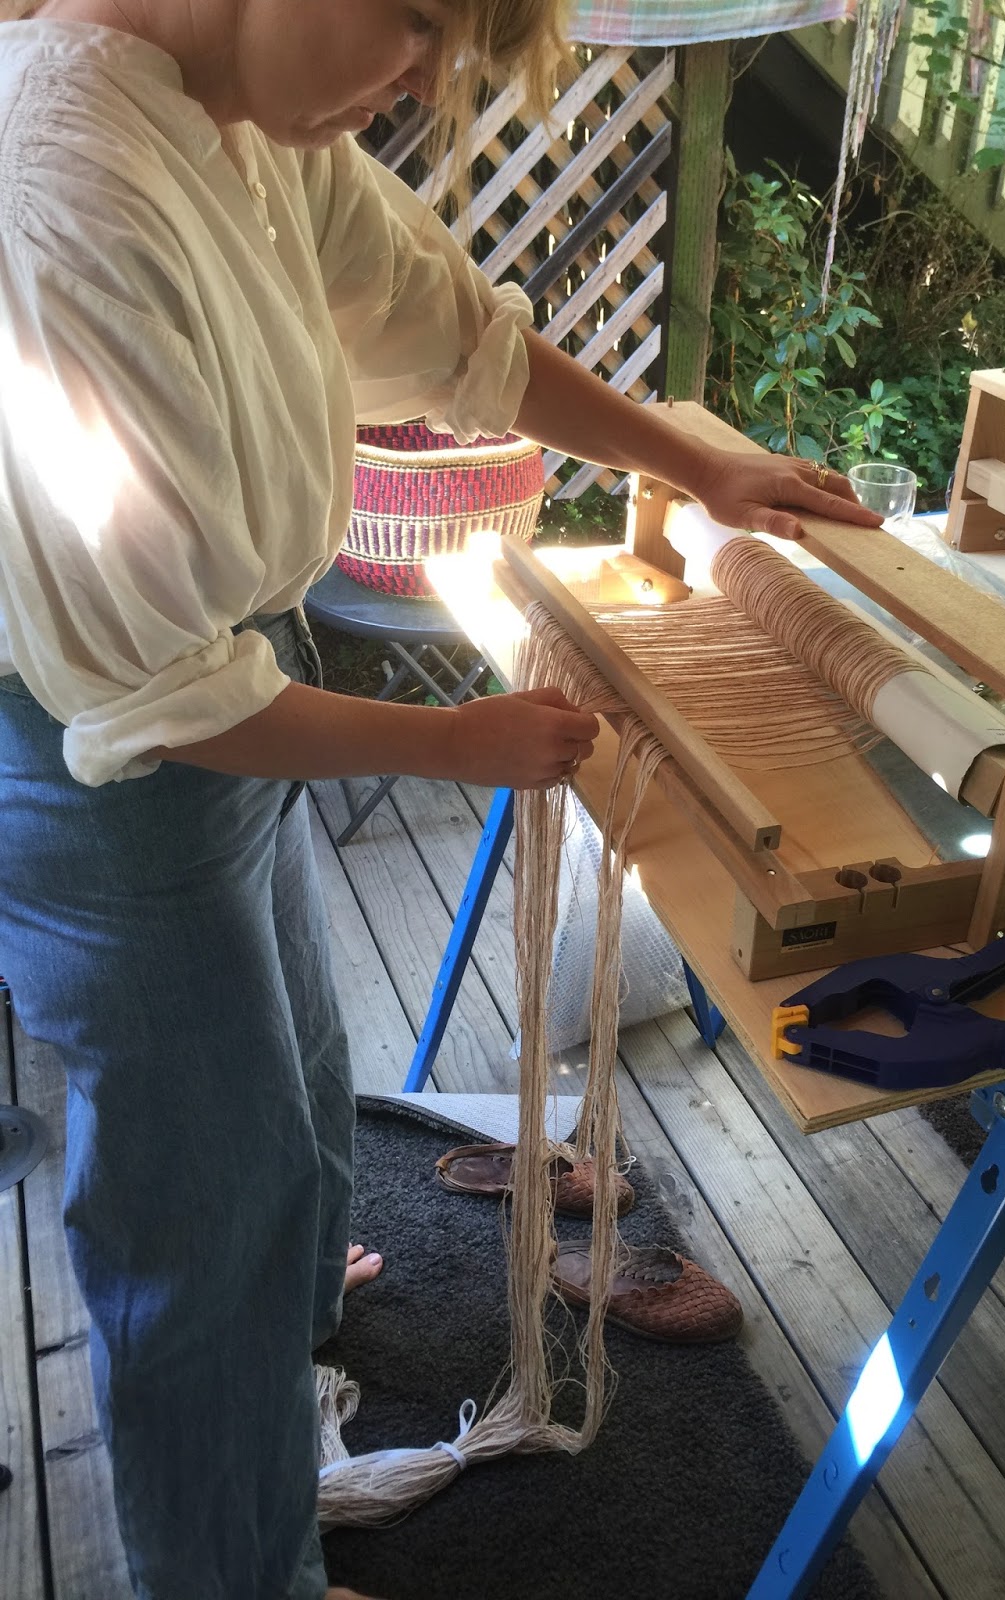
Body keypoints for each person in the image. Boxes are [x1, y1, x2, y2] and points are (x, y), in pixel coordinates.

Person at [0, 1, 882, 1595]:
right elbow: (158, 696)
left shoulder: (246, 119)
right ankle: (230, 1556)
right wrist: (456, 744)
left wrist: (692, 464)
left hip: (225, 683)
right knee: (195, 1225)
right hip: (105, 753)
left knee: (298, 1071)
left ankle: (294, 1305)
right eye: (413, 24)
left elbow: (451, 329)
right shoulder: (64, 193)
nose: (421, 80)